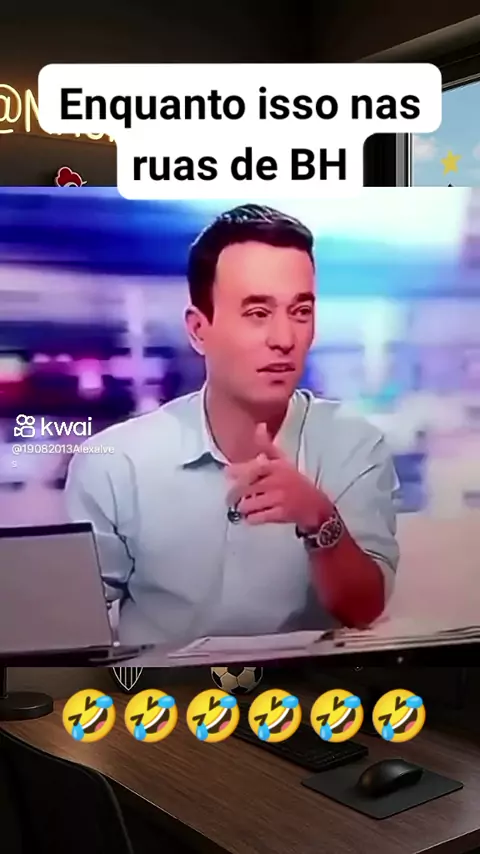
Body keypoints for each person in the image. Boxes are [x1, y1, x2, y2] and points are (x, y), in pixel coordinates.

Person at [66, 203, 399, 648]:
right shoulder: (116, 463)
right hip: (160, 691)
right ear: (198, 329)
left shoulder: (354, 446)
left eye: (300, 311)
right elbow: (67, 630)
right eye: (258, 313)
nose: (284, 339)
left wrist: (320, 520)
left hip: (311, 689)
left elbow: (364, 610)